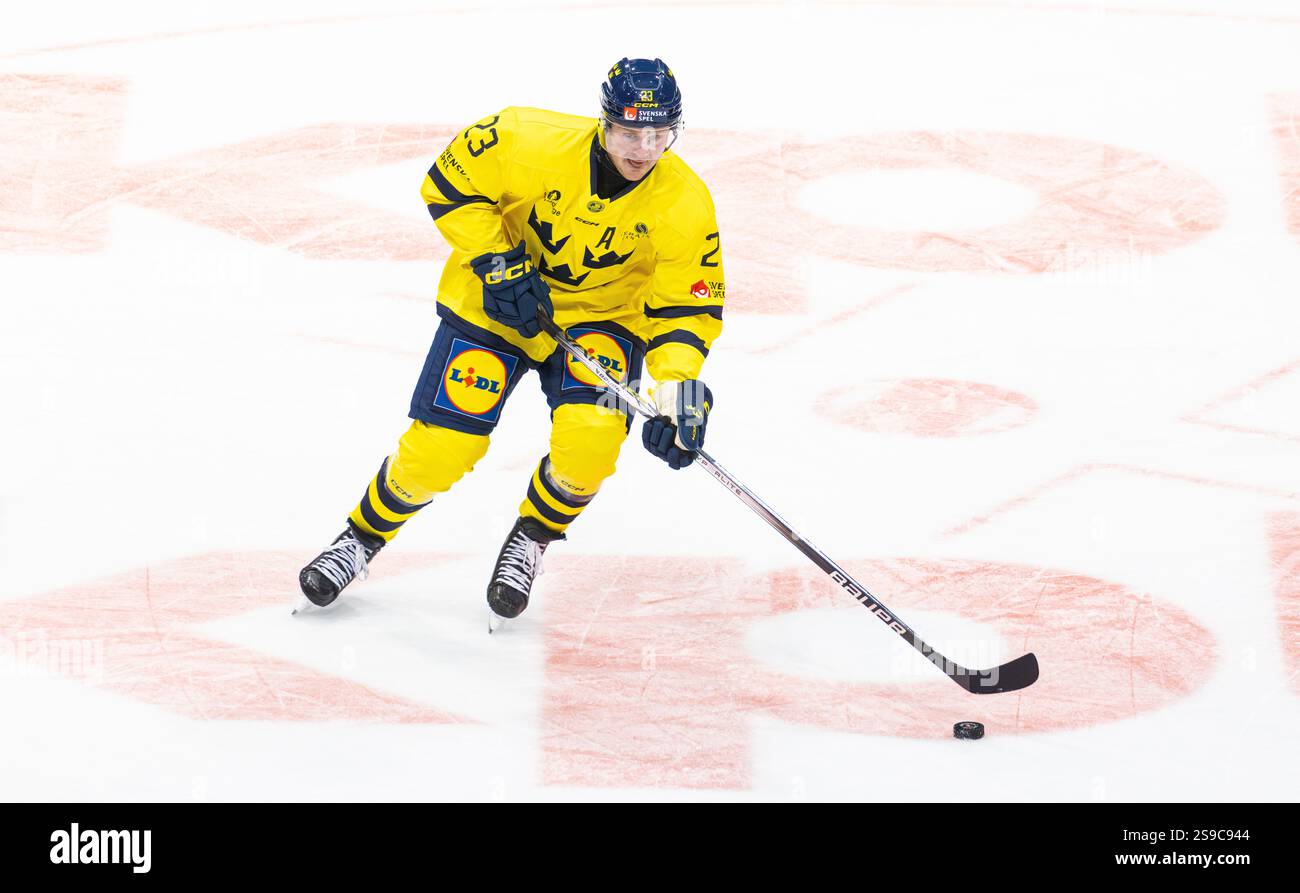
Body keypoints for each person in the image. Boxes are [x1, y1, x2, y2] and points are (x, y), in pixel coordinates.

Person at [297, 58, 725, 624]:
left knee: (592, 445)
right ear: (603, 121)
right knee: (441, 449)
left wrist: (679, 392)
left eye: (659, 133)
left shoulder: (685, 202)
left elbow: (685, 308)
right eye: (629, 131)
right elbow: (448, 184)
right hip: (492, 308)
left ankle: (533, 537)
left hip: (602, 321)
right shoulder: (525, 137)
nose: (643, 149)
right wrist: (497, 261)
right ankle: (361, 539)